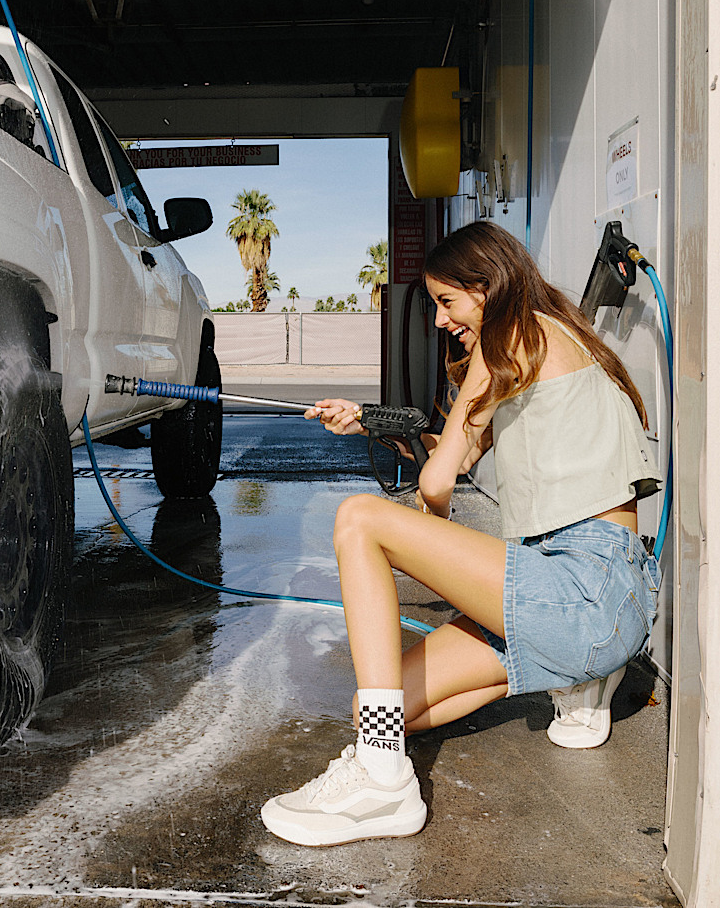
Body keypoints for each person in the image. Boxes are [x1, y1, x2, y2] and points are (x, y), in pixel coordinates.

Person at [259, 220, 662, 848]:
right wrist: (367, 421)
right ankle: (573, 677)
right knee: (394, 708)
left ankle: (381, 786)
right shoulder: (548, 340)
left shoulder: (513, 332)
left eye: (448, 301)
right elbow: (453, 451)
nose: (443, 320)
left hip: (580, 586)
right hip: (596, 601)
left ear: (488, 285)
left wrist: (422, 531)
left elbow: (441, 480)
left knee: (360, 518)